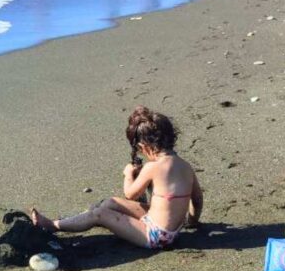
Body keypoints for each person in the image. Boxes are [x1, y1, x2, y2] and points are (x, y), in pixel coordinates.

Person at [31, 107, 202, 250]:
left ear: (144, 146)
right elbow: (197, 199)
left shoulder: (153, 167)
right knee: (112, 203)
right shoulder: (186, 166)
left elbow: (131, 195)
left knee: (100, 213)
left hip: (156, 236)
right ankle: (82, 218)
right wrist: (191, 221)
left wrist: (128, 174)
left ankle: (53, 225)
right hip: (170, 230)